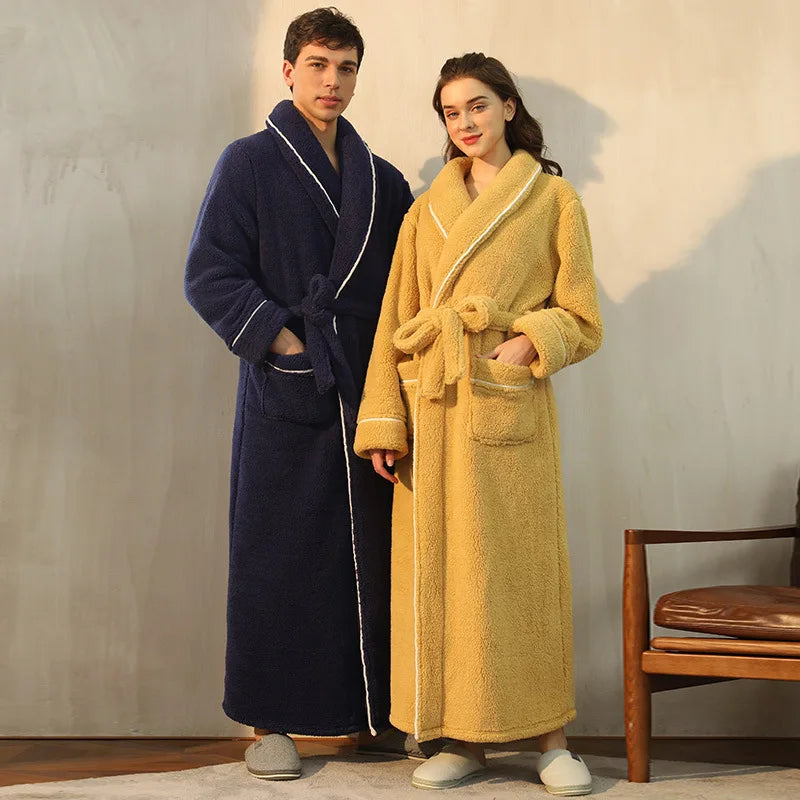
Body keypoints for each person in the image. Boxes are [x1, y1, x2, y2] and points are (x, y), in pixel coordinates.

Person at [354, 53, 603, 795]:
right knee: (444, 580)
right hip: (432, 410)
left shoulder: (552, 198)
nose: (464, 122)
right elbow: (395, 317)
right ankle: (460, 738)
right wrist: (383, 422)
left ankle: (552, 739)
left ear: (507, 107)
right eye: (451, 112)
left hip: (505, 408)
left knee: (518, 577)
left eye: (477, 106)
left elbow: (584, 317)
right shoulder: (424, 210)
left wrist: (532, 340)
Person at [185, 7, 420, 781]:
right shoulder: (249, 163)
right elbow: (210, 272)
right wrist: (283, 343)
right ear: (288, 70)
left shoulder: (383, 182)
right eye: (318, 64)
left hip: (366, 388)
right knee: (278, 554)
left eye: (346, 67)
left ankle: (373, 712)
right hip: (289, 390)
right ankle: (271, 722)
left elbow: (406, 289)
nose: (333, 81)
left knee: (372, 554)